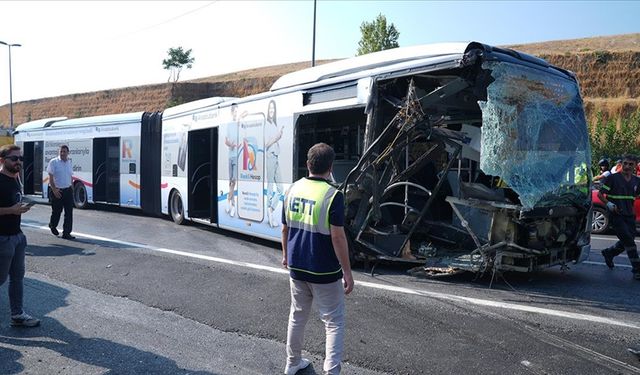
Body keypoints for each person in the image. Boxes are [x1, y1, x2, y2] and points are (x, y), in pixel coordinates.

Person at [281, 143, 354, 375]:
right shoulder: (333, 195)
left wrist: (285, 256)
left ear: (308, 164)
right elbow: (338, 237)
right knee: (333, 322)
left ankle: (292, 364)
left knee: (297, 315)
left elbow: (285, 229)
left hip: (297, 265)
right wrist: (347, 271)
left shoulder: (292, 189)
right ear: (330, 167)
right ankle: (331, 371)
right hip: (323, 270)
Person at [0, 144, 41, 327]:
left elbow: (14, 203)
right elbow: (10, 208)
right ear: (2, 160)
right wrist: (11, 210)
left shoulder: (16, 179)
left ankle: (17, 315)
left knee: (17, 278)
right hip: (2, 238)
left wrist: (21, 207)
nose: (19, 162)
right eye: (14, 159)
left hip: (17, 237)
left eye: (20, 159)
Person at [599, 154, 640, 280]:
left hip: (629, 215)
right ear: (621, 164)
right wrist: (609, 204)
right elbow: (601, 194)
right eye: (625, 163)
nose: (627, 166)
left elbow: (637, 196)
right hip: (616, 215)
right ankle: (637, 269)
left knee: (627, 241)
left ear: (635, 166)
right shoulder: (613, 178)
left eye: (630, 164)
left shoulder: (637, 181)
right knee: (629, 241)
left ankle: (609, 253)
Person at [47, 144, 75, 240]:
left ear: (68, 153)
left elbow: (71, 176)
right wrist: (54, 190)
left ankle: (66, 233)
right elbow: (50, 178)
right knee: (57, 211)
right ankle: (52, 225)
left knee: (69, 212)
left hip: (68, 190)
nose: (62, 153)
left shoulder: (69, 162)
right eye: (61, 151)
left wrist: (72, 188)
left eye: (64, 151)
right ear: (59, 152)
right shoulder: (53, 162)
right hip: (57, 190)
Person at [265, 100, 284, 228]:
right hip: (270, 157)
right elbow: (265, 144)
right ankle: (270, 215)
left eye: (273, 109)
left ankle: (270, 209)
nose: (271, 111)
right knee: (270, 187)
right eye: (270, 109)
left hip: (276, 157)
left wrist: (279, 135)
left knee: (280, 189)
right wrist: (277, 137)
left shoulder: (273, 124)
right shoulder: (266, 124)